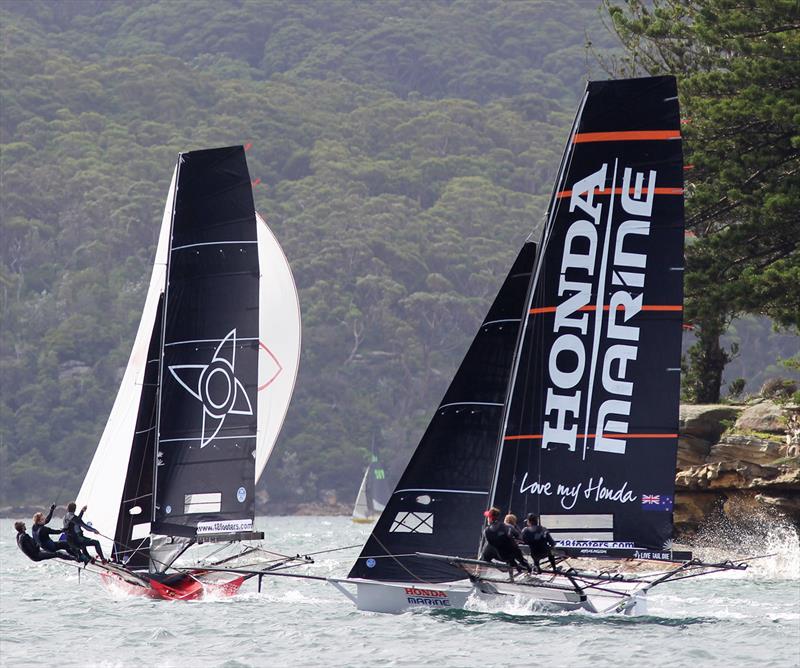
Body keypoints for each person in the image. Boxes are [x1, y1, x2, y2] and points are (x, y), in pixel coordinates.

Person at [481, 507, 530, 576]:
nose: (487, 519)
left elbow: (492, 545)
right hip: (514, 553)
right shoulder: (509, 527)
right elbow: (521, 538)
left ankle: (482, 573)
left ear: (490, 518)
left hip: (503, 556)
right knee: (516, 554)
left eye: (488, 517)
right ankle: (524, 566)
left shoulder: (486, 531)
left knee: (485, 556)